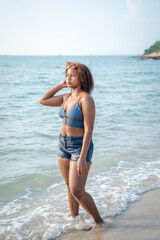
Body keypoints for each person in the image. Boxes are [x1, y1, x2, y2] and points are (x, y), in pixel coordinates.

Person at [39, 62, 104, 230]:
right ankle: (74, 219)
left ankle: (99, 221)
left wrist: (82, 157)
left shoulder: (86, 99)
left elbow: (89, 130)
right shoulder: (66, 97)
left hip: (79, 146)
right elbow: (43, 100)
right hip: (63, 145)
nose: (68, 78)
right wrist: (60, 85)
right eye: (66, 75)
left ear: (81, 78)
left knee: (77, 189)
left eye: (72, 76)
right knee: (69, 186)